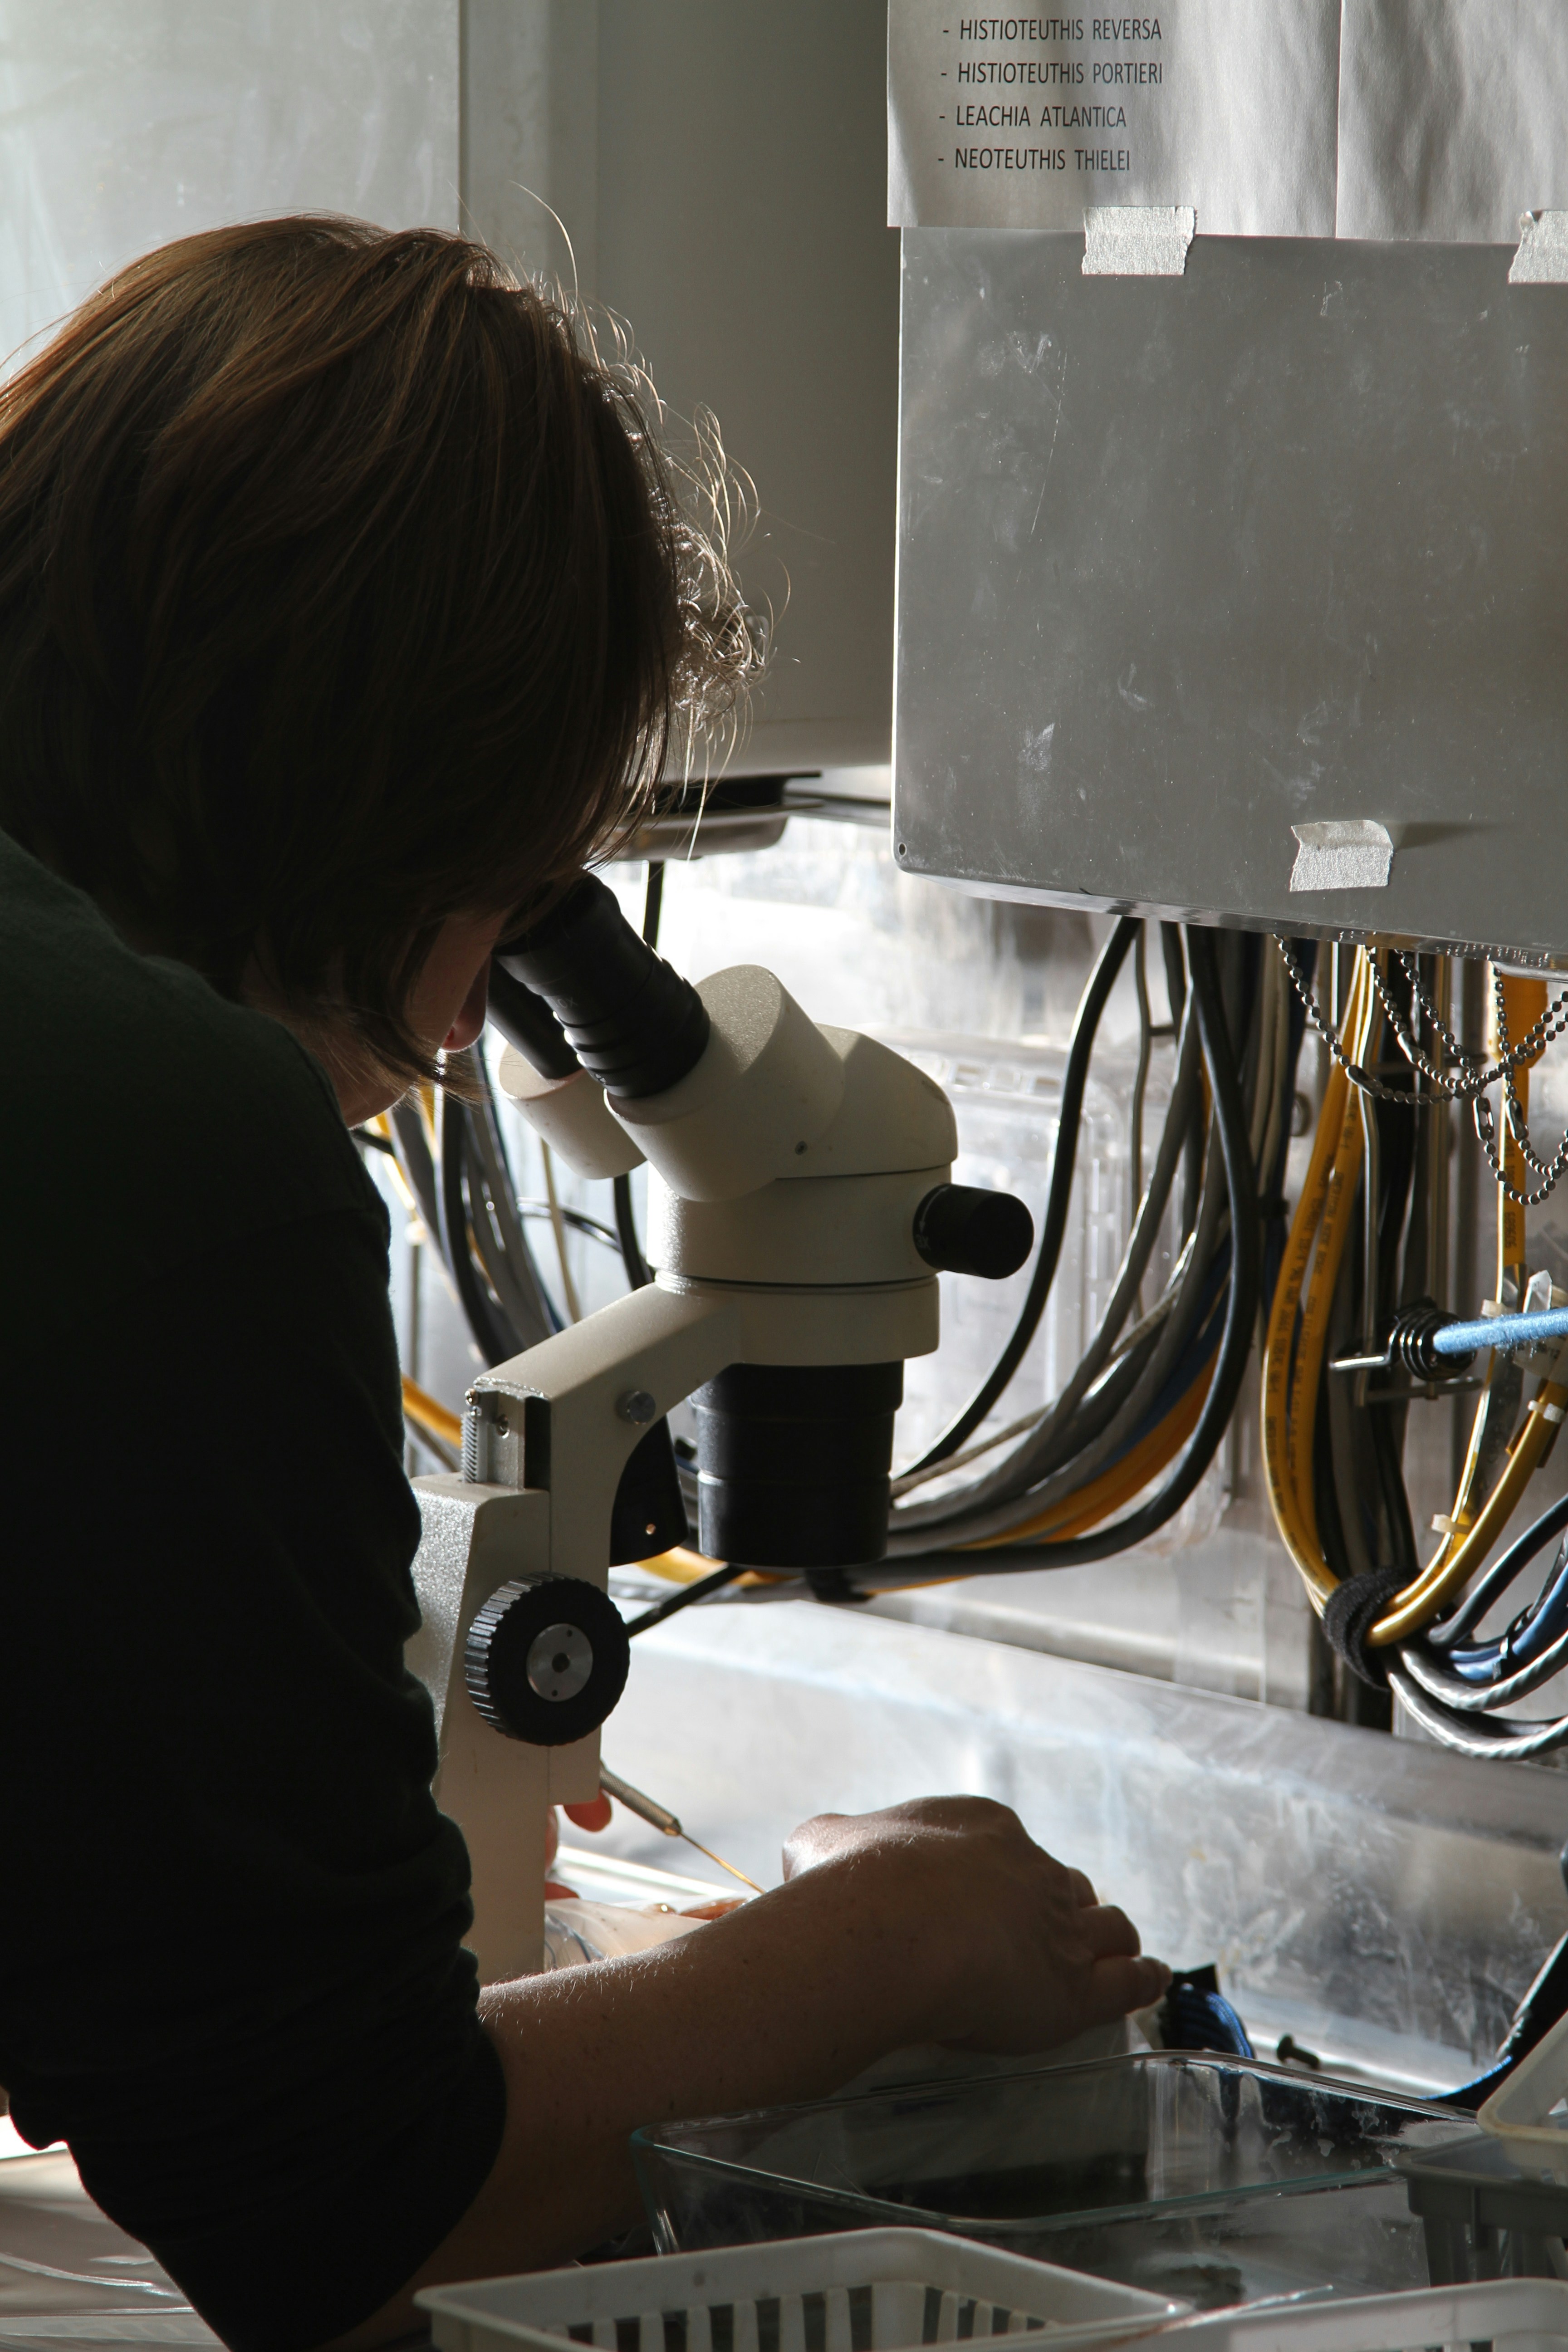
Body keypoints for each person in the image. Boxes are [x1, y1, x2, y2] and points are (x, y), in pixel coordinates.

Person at [0, 216, 1169, 2352]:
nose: (461, 1031)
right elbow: (350, 2210)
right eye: (515, 887)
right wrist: (883, 1941)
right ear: (401, 805)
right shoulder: (161, 1139)